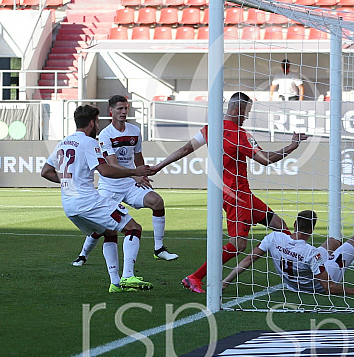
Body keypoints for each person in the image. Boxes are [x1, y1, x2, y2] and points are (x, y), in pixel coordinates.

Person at [151, 92, 309, 293]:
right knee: (238, 245)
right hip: (237, 198)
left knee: (279, 225)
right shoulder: (240, 135)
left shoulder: (210, 130)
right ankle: (194, 277)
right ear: (237, 110)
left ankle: (297, 268)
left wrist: (158, 166)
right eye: (246, 112)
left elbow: (184, 150)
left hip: (244, 195)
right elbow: (265, 159)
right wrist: (293, 146)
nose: (246, 117)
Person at [41, 104, 156, 293]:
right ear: (92, 122)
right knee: (134, 228)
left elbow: (45, 172)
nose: (98, 127)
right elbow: (105, 171)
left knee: (110, 232)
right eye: (97, 122)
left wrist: (69, 181)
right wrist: (135, 171)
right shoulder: (89, 143)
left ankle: (115, 283)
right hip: (89, 202)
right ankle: (128, 276)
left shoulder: (63, 143)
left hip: (70, 206)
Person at [71, 95, 178, 267]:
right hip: (110, 185)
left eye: (126, 108)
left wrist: (142, 175)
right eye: (120, 108)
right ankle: (83, 254)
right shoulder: (105, 135)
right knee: (102, 226)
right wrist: (136, 173)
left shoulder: (135, 131)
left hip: (130, 183)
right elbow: (112, 164)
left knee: (157, 202)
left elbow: (138, 157)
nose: (123, 112)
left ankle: (159, 249)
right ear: (111, 111)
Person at [223, 210, 354, 295]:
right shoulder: (311, 253)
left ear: (294, 225)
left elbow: (249, 259)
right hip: (317, 284)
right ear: (311, 230)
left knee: (333, 242)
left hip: (293, 285)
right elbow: (330, 287)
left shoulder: (274, 238)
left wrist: (226, 281)